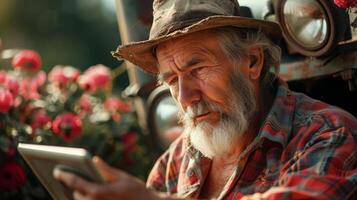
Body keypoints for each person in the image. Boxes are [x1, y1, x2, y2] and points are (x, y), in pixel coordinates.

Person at [54, 0, 357, 199]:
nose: (185, 97)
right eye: (171, 80)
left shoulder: (328, 134)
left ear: (252, 62)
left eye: (196, 69)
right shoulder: (177, 158)